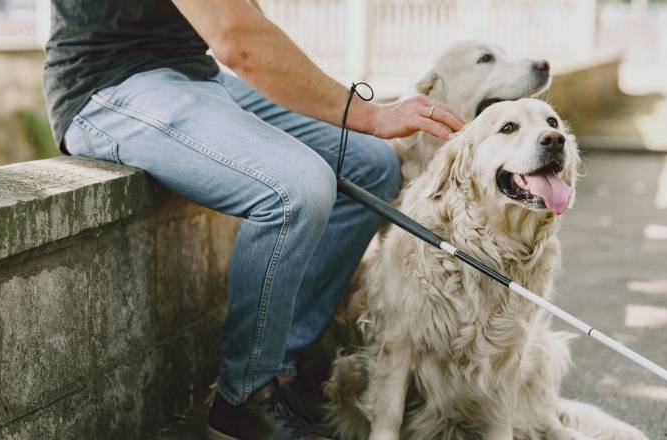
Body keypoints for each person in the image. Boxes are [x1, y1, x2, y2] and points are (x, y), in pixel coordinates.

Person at [43, 0, 463, 438]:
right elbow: (238, 41)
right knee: (295, 189)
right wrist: (374, 115)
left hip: (195, 73)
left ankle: (283, 365)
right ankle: (244, 398)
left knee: (371, 164)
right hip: (111, 85)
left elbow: (248, 25)